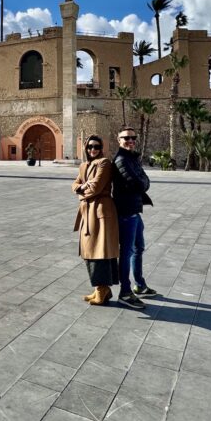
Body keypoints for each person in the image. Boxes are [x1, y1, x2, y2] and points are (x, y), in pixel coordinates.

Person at [72, 135, 120, 306]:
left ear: (101, 148)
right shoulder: (83, 165)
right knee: (89, 251)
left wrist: (82, 189)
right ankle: (100, 288)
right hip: (88, 211)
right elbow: (75, 184)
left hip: (101, 212)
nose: (93, 150)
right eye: (90, 146)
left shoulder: (104, 163)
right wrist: (81, 187)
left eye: (97, 147)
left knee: (100, 251)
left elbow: (96, 187)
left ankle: (102, 289)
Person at [113, 127, 156, 309]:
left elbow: (144, 180)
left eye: (133, 138)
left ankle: (139, 284)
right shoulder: (122, 160)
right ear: (119, 140)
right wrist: (143, 183)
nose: (130, 140)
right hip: (125, 214)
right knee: (127, 251)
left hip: (134, 212)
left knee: (139, 248)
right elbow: (140, 183)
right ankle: (125, 292)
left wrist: (143, 183)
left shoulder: (132, 158)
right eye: (126, 138)